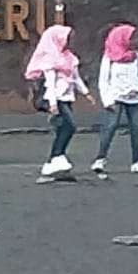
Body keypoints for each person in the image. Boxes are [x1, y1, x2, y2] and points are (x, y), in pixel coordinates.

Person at [26, 24, 94, 177]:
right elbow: (50, 84)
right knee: (69, 127)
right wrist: (53, 104)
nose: (70, 42)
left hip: (67, 97)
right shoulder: (50, 59)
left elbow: (76, 78)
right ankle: (56, 156)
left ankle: (56, 158)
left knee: (62, 129)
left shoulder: (70, 58)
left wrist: (86, 93)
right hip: (57, 99)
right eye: (67, 38)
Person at [93, 24, 138, 174]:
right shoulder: (110, 57)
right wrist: (107, 100)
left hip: (135, 99)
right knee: (111, 126)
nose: (134, 41)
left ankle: (137, 161)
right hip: (116, 97)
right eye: (131, 37)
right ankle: (100, 159)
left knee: (136, 128)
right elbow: (104, 80)